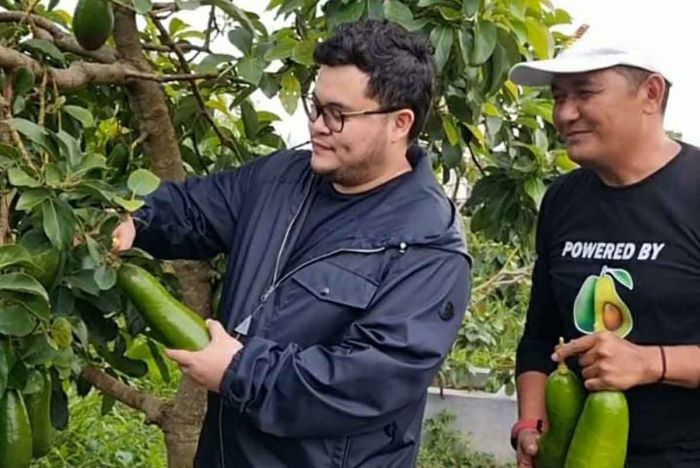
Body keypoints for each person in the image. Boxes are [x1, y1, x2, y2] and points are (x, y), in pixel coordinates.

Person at [112, 19, 472, 468]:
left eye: (338, 114)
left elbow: (363, 383)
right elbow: (194, 209)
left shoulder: (429, 247)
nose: (318, 125)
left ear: (400, 123)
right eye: (315, 106)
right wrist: (135, 218)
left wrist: (239, 371)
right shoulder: (281, 178)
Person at [507, 37, 700, 468]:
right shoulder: (562, 199)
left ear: (650, 94)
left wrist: (652, 363)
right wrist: (530, 426)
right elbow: (539, 337)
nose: (564, 114)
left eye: (584, 93)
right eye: (558, 98)